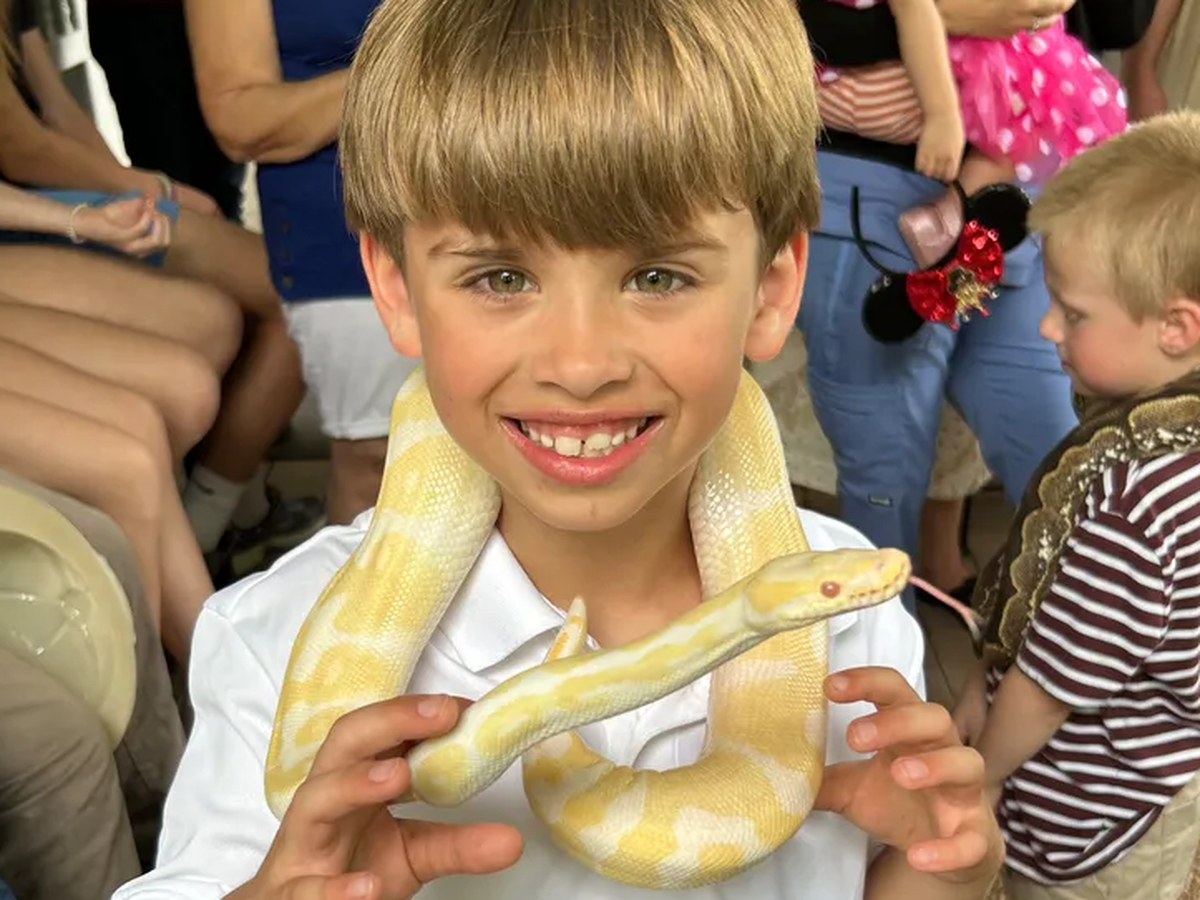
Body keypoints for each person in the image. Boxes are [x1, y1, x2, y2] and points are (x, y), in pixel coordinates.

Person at [112, 1, 1003, 899]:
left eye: (658, 276)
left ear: (770, 291)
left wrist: (944, 870)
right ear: (398, 289)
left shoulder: (844, 623)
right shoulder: (269, 644)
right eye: (501, 276)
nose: (580, 366)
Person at [955, 110, 1200, 900]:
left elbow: (1048, 686)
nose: (1046, 323)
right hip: (1153, 784)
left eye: (1074, 310)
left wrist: (981, 775)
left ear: (1176, 327)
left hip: (1083, 825)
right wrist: (979, 684)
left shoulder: (1136, 507)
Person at [0, 0, 322, 576]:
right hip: (31, 211)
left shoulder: (19, 14)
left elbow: (59, 112)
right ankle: (215, 522)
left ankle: (226, 511)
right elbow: (22, 149)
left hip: (52, 198)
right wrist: (150, 188)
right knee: (280, 297)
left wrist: (133, 188)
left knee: (262, 299)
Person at [795, 0, 1082, 611]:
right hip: (874, 196)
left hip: (1013, 198)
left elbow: (1107, 24)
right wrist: (949, 13)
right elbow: (779, 26)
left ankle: (1087, 652)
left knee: (1055, 458)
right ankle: (881, 662)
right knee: (884, 477)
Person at [184, 0, 420, 525]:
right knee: (378, 458)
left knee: (526, 438)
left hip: (517, 191)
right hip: (346, 216)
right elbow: (242, 121)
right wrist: (417, 64)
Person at [811, 0, 1126, 269]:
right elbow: (916, 11)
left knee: (1037, 93)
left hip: (837, 88)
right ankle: (950, 215)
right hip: (891, 96)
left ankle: (956, 215)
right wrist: (942, 116)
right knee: (1037, 97)